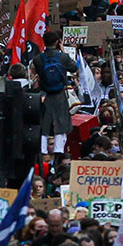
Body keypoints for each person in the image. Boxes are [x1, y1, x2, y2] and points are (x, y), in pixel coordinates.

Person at [32, 30, 77, 162]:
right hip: (59, 94)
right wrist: (63, 51)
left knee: (44, 123)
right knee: (60, 123)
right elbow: (74, 68)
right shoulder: (63, 57)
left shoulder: (38, 59)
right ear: (58, 42)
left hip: (44, 94)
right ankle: (59, 151)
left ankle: (43, 151)